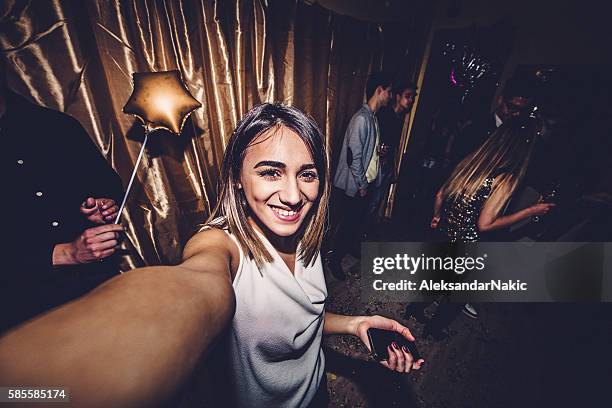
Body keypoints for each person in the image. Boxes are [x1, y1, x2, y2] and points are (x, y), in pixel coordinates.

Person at [0, 103, 423, 408]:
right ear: (237, 179)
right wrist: (33, 384)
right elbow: (189, 289)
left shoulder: (304, 232)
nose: (294, 195)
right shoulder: (219, 247)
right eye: (270, 171)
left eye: (307, 174)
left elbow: (301, 319)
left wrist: (356, 324)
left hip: (314, 391)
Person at [1, 67, 124, 333]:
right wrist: (65, 253)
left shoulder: (55, 126)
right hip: (17, 317)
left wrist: (99, 206)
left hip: (96, 294)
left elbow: (105, 184)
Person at [406, 117, 555, 337]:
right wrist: (531, 211)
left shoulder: (474, 160)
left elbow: (440, 194)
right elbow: (484, 224)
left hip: (445, 232)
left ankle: (414, 309)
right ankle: (434, 330)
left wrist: (437, 216)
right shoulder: (506, 178)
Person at [330, 72, 393, 280]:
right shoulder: (361, 119)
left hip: (364, 184)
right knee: (345, 225)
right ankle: (334, 260)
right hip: (355, 185)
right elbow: (352, 157)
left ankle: (345, 249)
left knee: (353, 224)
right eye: (389, 91)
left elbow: (365, 152)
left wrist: (379, 153)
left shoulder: (372, 118)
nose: (390, 96)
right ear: (379, 90)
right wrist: (362, 184)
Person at [370, 82, 417, 231]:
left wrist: (393, 167)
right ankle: (358, 236)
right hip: (377, 165)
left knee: (376, 201)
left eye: (412, 97)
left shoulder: (399, 117)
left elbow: (393, 147)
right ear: (397, 97)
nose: (411, 101)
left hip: (386, 165)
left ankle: (365, 232)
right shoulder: (385, 114)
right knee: (371, 201)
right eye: (408, 96)